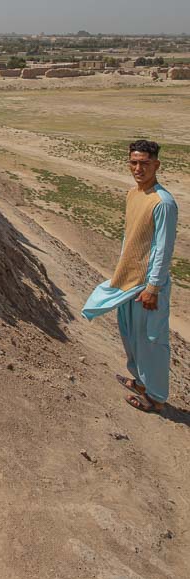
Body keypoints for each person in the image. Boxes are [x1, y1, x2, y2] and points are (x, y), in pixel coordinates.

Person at [82, 139, 178, 413]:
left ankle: (156, 398)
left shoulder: (163, 203)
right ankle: (140, 382)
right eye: (134, 162)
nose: (138, 168)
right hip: (128, 281)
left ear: (156, 165)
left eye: (145, 163)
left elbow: (163, 248)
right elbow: (131, 237)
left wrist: (153, 287)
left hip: (147, 287)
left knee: (151, 342)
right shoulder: (133, 194)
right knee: (131, 337)